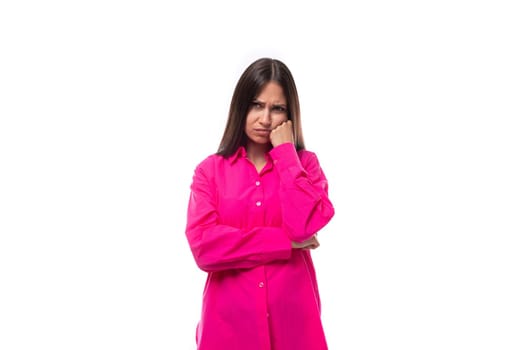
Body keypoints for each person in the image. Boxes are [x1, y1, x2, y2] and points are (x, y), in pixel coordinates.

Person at [185, 57, 335, 350]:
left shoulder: (305, 166)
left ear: (290, 115)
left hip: (295, 328)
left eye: (277, 108)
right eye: (256, 105)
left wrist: (286, 156)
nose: (265, 119)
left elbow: (303, 227)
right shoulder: (210, 172)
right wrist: (284, 243)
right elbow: (204, 247)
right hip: (227, 329)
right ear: (241, 107)